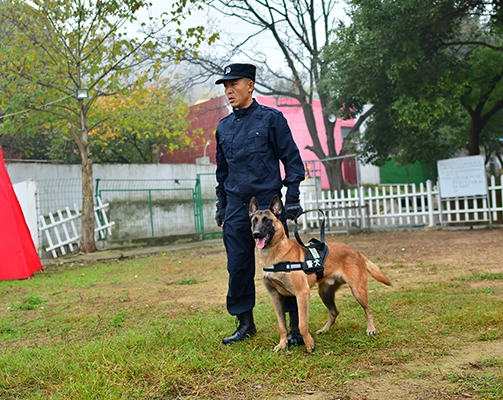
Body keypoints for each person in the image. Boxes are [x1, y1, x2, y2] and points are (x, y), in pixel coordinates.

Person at [214, 63, 306, 345]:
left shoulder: (271, 119)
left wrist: (292, 199)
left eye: (234, 84)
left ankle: (294, 329)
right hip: (235, 208)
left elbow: (292, 160)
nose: (229, 90)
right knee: (238, 266)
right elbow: (222, 172)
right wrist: (222, 207)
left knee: (284, 266)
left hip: (268, 207)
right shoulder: (223, 127)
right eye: (225, 86)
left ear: (250, 85)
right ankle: (245, 323)